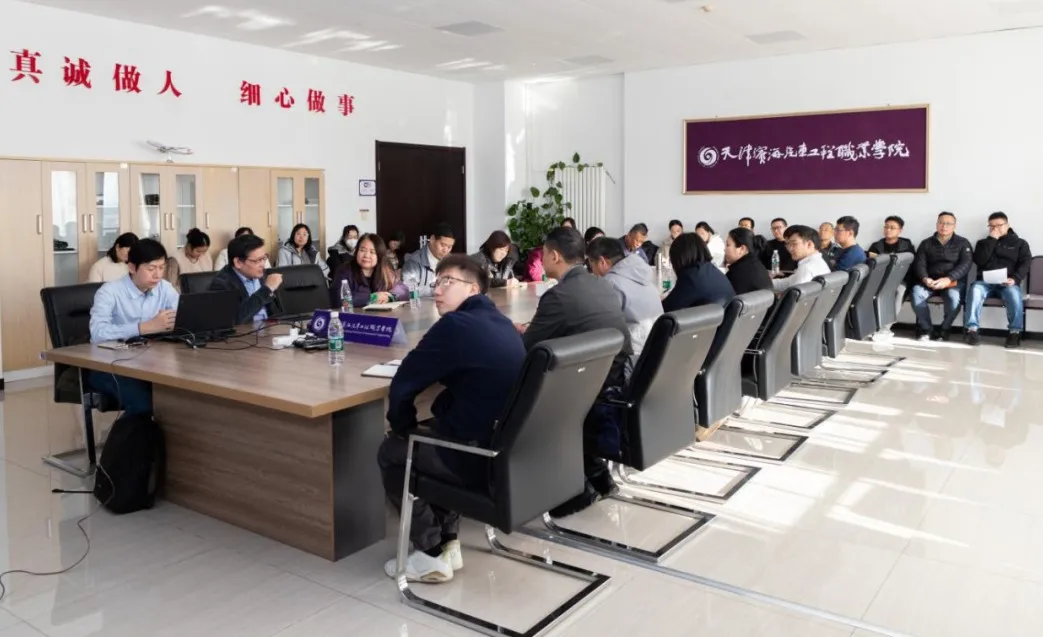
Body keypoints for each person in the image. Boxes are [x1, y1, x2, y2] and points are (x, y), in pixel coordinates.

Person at [378, 255, 525, 583]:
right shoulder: (502, 322)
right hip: (505, 452)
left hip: (476, 457)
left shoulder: (455, 326)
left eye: (448, 281)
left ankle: (429, 553)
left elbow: (404, 383)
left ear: (473, 289)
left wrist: (403, 428)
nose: (438, 289)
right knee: (437, 430)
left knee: (394, 451)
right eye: (437, 281)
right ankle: (448, 543)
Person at [516, 227, 632, 516]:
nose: (542, 259)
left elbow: (527, 350)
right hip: (611, 377)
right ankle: (597, 476)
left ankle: (574, 487)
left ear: (555, 256)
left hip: (584, 388)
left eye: (544, 254)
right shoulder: (602, 285)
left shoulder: (558, 296)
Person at [88, 238, 179, 415]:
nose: (158, 275)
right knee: (145, 404)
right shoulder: (109, 292)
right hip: (110, 366)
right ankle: (124, 434)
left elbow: (181, 315)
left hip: (151, 361)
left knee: (181, 396)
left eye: (161, 268)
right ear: (132, 267)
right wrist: (143, 327)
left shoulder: (164, 288)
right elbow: (98, 332)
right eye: (151, 269)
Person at [586, 237, 663, 371]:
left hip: (633, 361)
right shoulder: (641, 274)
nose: (591, 271)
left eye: (591, 265)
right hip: (657, 353)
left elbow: (601, 326)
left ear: (602, 262)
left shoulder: (610, 283)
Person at [964, 212, 1031, 348]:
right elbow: (979, 261)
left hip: (1007, 282)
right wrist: (992, 241)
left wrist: (1015, 278)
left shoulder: (1020, 243)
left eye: (999, 225)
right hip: (984, 282)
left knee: (1014, 293)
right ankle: (972, 330)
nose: (995, 229)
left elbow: (1025, 263)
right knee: (975, 290)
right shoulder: (982, 243)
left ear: (1007, 225)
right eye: (991, 226)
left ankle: (1014, 332)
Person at [911, 211, 973, 341]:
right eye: (941, 223)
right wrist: (925, 278)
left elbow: (965, 265)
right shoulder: (926, 243)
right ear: (936, 224)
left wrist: (948, 278)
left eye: (948, 223)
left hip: (952, 282)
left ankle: (945, 329)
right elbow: (919, 264)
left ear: (954, 226)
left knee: (954, 299)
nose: (944, 226)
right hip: (929, 281)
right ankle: (927, 329)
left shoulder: (963, 243)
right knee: (916, 293)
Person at [210, 234, 283, 324]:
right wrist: (266, 290)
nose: (263, 264)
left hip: (269, 328)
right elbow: (235, 320)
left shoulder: (262, 274)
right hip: (247, 331)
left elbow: (276, 312)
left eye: (264, 258)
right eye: (257, 260)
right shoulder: (221, 284)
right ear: (238, 262)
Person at [329, 234, 408, 308]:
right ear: (356, 251)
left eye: (372, 252)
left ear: (379, 255)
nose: (366, 255)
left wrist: (390, 297)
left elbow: (403, 291)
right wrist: (372, 298)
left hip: (382, 316)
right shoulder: (344, 271)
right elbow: (338, 300)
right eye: (362, 250)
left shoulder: (385, 269)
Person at [662, 233, 735, 311]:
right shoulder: (712, 269)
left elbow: (666, 308)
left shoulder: (690, 277)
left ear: (679, 258)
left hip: (708, 318)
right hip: (724, 316)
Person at [867, 216, 917, 318]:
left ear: (900, 230)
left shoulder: (906, 246)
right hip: (880, 279)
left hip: (901, 279)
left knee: (899, 291)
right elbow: (871, 265)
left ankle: (888, 324)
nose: (888, 230)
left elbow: (910, 265)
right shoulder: (876, 246)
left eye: (892, 227)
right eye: (886, 227)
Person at [403, 223, 455, 296]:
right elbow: (406, 292)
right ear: (432, 239)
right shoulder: (414, 262)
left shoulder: (452, 263)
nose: (445, 250)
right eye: (442, 245)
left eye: (449, 247)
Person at [773, 225, 831, 292]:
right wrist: (765, 283)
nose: (790, 249)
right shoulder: (818, 262)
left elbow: (792, 296)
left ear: (809, 244)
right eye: (787, 244)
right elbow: (788, 282)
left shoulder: (806, 268)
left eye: (794, 244)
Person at [724, 227, 773, 295]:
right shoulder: (757, 265)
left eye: (728, 245)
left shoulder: (736, 274)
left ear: (742, 249)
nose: (724, 249)